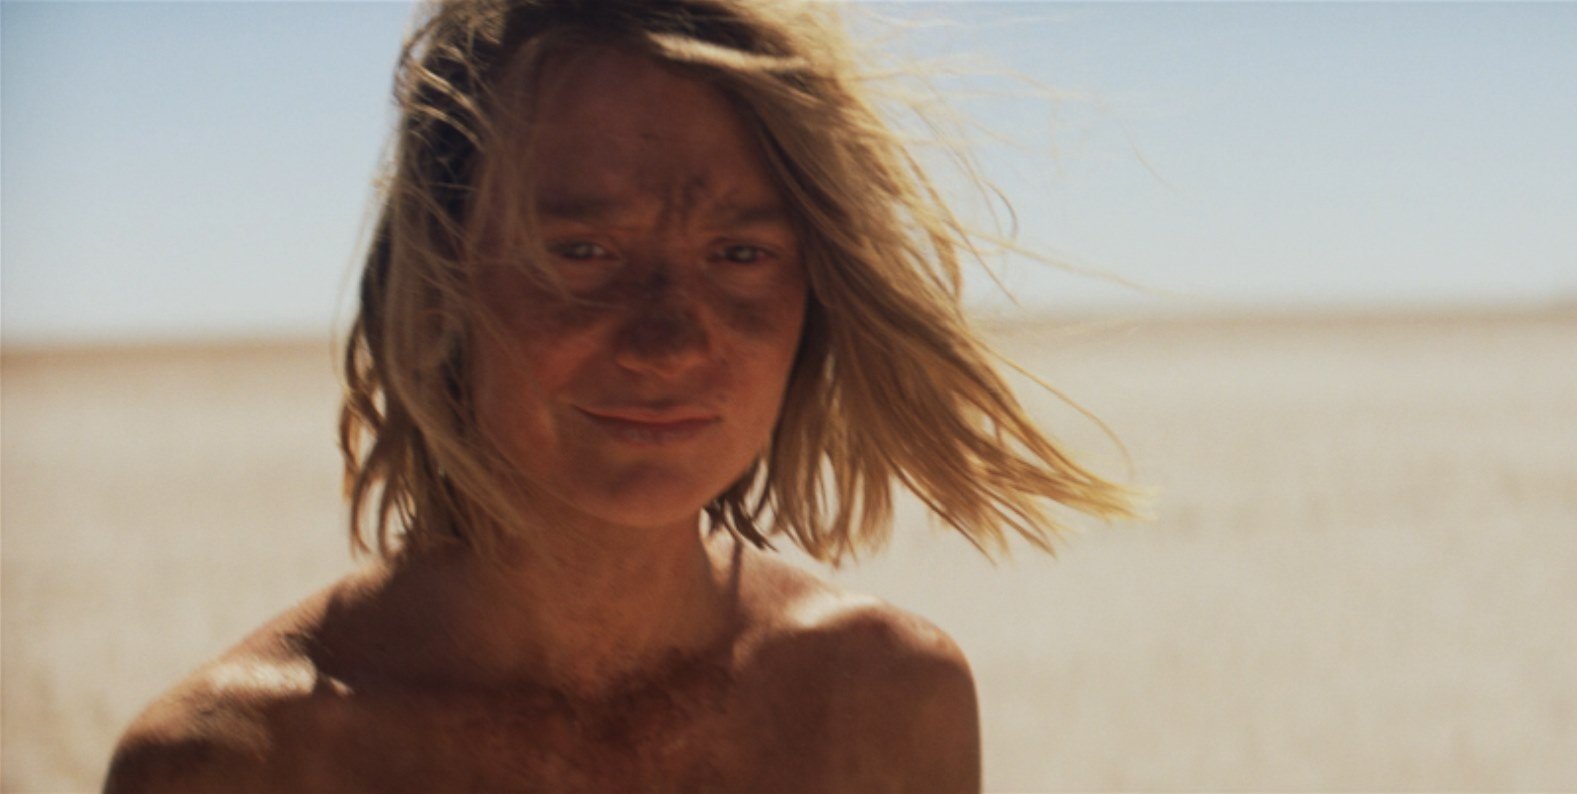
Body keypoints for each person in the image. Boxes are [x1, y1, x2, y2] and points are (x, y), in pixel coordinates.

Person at [104, 0, 1132, 790]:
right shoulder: (241, 761)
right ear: (442, 280)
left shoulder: (882, 703)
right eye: (584, 251)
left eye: (739, 254)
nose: (670, 339)